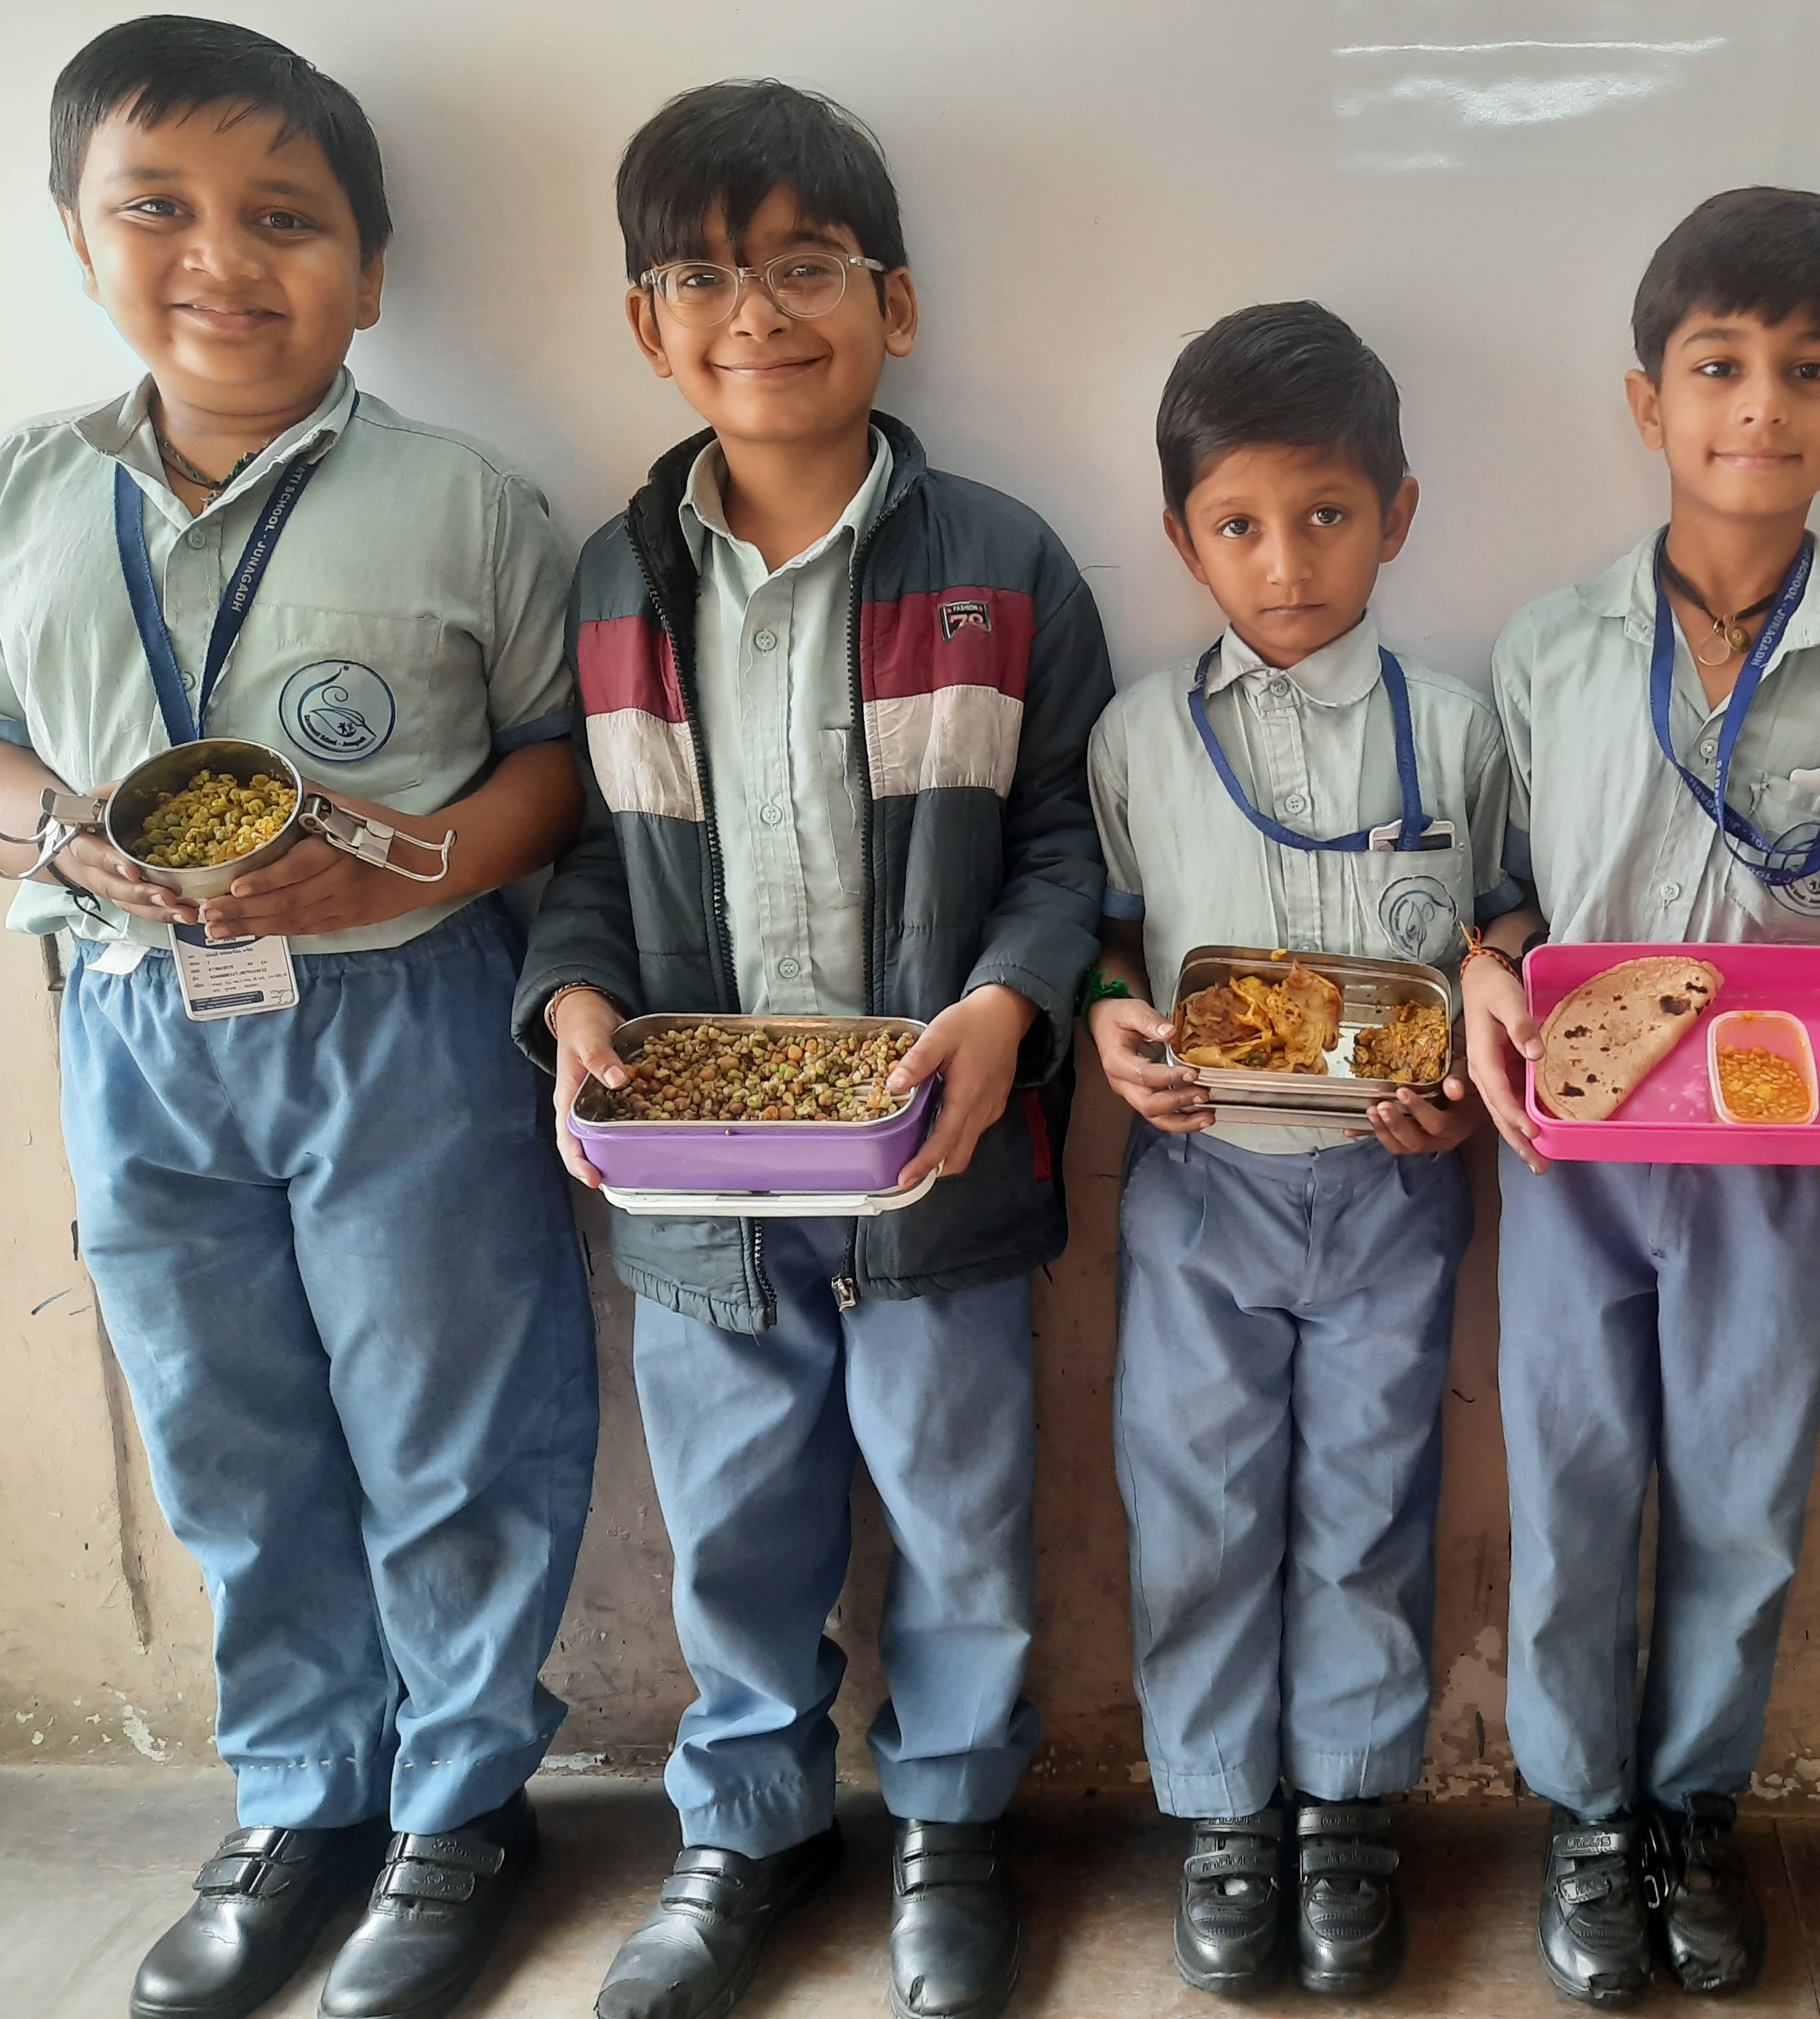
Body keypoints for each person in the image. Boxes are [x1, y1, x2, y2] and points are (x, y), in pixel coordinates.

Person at [0, 19, 600, 2019]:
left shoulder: (466, 503)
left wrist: (405, 866)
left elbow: (554, 765)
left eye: (284, 218)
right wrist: (67, 838)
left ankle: (461, 1804)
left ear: (372, 267)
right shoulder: (22, 494)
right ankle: (301, 1794)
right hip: (130, 1020)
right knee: (225, 1428)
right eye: (155, 208)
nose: (221, 260)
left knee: (453, 1422)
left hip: (401, 1018)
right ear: (74, 237)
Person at [515, 79, 1111, 2019]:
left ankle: (951, 1824)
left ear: (893, 302)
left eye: (805, 267)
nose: (756, 312)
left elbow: (1065, 845)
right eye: (702, 277)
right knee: (733, 1524)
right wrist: (573, 1003)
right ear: (646, 324)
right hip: (696, 1183)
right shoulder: (616, 582)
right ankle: (747, 1827)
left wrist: (1008, 1007)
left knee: (959, 1516)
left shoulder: (1003, 562)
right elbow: (591, 858)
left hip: (933, 1164)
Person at [1461, 188, 1820, 2006]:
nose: (1761, 404)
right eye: (1719, 366)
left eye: (1810, 373)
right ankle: (1586, 1814)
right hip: (1573, 1151)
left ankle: (1690, 1803)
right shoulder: (1547, 648)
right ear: (1647, 400)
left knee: (1744, 1490)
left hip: (1778, 1154)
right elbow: (1505, 898)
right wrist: (1485, 971)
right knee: (1573, 1479)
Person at [1083, 302, 1521, 1998]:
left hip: (1396, 1187)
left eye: (1326, 514)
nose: (1285, 563)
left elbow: (1503, 934)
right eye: (1240, 525)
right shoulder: (1137, 738)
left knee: (1365, 1497)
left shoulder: (1458, 731)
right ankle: (1218, 1809)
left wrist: (1465, 1078)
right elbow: (1109, 940)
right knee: (1193, 1502)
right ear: (1180, 538)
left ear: (1395, 517)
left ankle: (1344, 1800)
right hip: (1201, 1188)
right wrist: (1111, 1021)